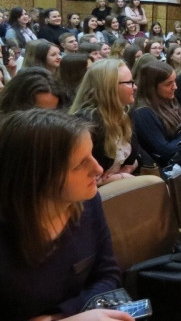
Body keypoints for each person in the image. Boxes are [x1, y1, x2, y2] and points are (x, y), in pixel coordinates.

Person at [0, 109, 133, 321]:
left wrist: (61, 316)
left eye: (92, 155)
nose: (98, 169)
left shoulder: (88, 203)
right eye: (80, 164)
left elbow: (107, 275)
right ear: (37, 178)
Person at [70, 59, 139, 186]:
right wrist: (119, 177)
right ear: (109, 88)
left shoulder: (125, 112)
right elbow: (81, 178)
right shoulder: (86, 122)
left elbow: (133, 160)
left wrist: (127, 170)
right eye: (129, 83)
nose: (135, 87)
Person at [131, 61, 181, 167]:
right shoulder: (143, 113)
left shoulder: (169, 99)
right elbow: (163, 151)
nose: (175, 87)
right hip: (167, 168)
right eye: (168, 84)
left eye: (174, 81)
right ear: (152, 87)